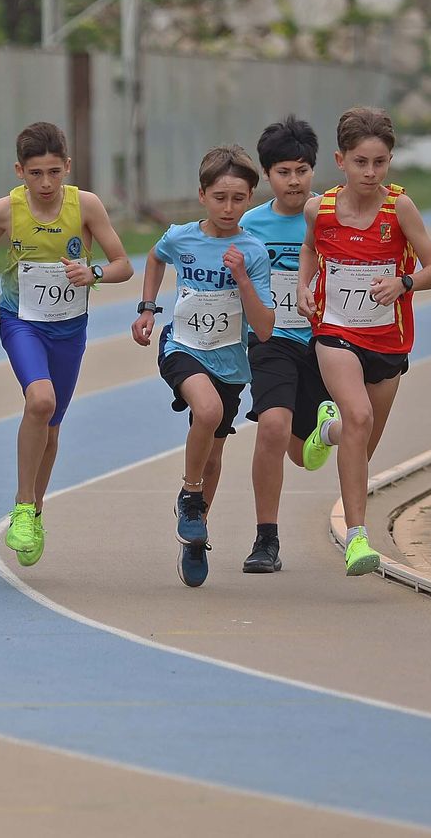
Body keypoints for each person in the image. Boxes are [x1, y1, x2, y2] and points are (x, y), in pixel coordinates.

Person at [0, 121, 132, 567]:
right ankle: (23, 504)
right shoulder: (5, 211)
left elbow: (123, 263)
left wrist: (95, 274)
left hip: (69, 329)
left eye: (54, 172)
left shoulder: (85, 205)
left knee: (50, 426)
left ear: (67, 166)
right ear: (19, 171)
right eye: (35, 174)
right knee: (40, 399)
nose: (46, 183)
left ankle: (36, 509)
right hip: (21, 322)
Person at [298, 107, 431, 576]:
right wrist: (305, 286)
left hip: (388, 339)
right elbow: (310, 248)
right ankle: (358, 538)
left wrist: (404, 283)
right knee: (358, 415)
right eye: (361, 162)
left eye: (379, 162)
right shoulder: (318, 208)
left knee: (362, 440)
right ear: (340, 160)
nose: (370, 172)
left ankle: (328, 430)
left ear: (390, 161)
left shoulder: (399, 208)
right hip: (335, 332)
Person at [132, 146, 273, 588]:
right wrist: (148, 308)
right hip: (183, 347)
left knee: (214, 454)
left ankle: (194, 540)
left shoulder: (252, 251)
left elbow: (266, 329)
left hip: (229, 359)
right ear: (202, 196)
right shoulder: (181, 237)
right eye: (220, 197)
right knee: (207, 412)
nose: (229, 207)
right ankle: (189, 497)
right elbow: (156, 257)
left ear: (250, 198)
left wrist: (243, 279)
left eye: (238, 198)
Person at [239, 115, 334, 575]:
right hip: (272, 340)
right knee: (272, 427)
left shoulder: (330, 216)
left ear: (313, 170)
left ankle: (326, 431)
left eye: (302, 170)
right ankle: (266, 540)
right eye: (283, 172)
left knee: (302, 454)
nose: (293, 180)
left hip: (325, 342)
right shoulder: (250, 224)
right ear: (268, 175)